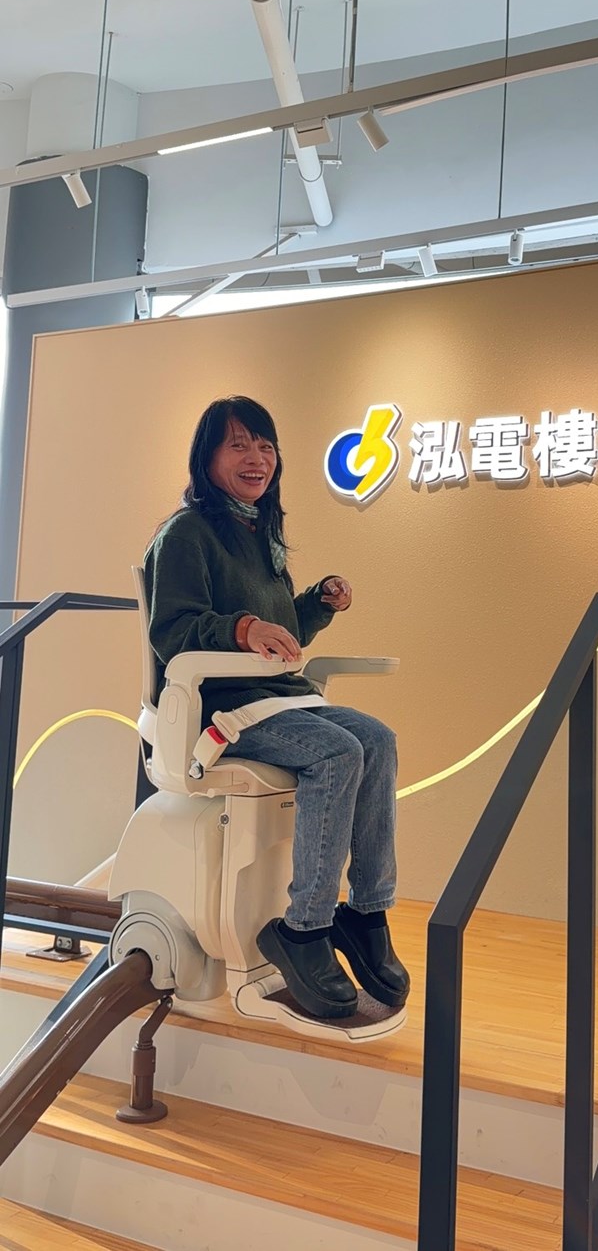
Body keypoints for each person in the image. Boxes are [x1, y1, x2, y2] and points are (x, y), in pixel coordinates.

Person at [144, 395, 409, 1022]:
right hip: (223, 709)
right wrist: (241, 629)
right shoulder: (185, 535)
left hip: (277, 698)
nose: (256, 458)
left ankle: (366, 913)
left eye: (265, 446)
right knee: (338, 752)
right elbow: (173, 631)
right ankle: (303, 929)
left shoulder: (261, 534)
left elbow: (282, 636)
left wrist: (316, 603)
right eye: (238, 444)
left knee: (378, 739)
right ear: (207, 457)